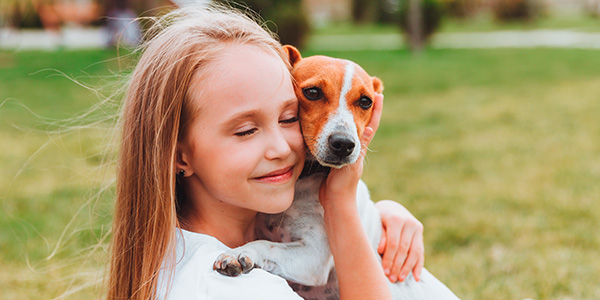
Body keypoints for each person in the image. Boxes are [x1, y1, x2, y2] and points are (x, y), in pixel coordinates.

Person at [107, 5, 424, 300]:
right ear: (179, 156)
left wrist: (377, 212)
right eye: (245, 131)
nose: (282, 147)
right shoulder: (241, 286)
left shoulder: (169, 252)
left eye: (289, 118)